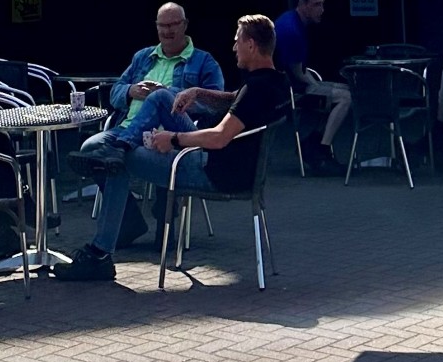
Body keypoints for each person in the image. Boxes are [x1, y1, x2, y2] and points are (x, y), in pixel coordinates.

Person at [59, 14, 291, 282]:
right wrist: (197, 92)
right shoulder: (275, 82)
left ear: (251, 45)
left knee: (117, 162)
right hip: (232, 167)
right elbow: (234, 100)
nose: (233, 47)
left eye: (237, 41)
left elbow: (219, 138)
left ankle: (99, 254)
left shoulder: (255, 88)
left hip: (213, 172)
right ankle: (120, 146)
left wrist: (174, 139)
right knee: (161, 97)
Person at [80, 1, 223, 161]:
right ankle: (119, 150)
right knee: (90, 147)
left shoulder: (204, 61)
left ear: (185, 24)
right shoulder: (142, 57)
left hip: (169, 135)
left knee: (160, 96)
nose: (167, 30)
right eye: (162, 25)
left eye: (173, 24)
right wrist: (130, 91)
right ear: (156, 26)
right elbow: (114, 94)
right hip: (126, 128)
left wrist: (168, 93)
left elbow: (216, 104)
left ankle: (120, 148)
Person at [273, 0, 351, 170]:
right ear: (302, 4)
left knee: (343, 89)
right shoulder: (292, 31)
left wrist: (326, 86)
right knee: (346, 98)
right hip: (288, 92)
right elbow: (299, 75)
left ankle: (313, 142)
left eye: (322, 4)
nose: (322, 10)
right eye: (317, 5)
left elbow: (300, 70)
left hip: (290, 83)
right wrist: (321, 86)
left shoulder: (293, 21)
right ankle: (321, 148)